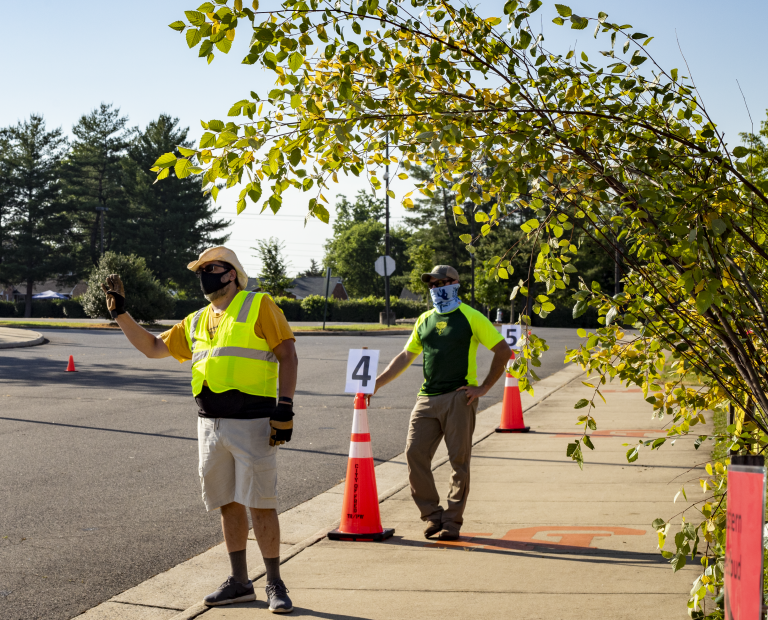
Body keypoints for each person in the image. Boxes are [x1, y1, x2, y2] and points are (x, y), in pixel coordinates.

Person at [102, 246, 297, 614]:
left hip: (254, 423)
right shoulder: (196, 320)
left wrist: (284, 407)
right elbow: (154, 347)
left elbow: (287, 353)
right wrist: (121, 315)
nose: (205, 274)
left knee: (261, 505)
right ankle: (240, 582)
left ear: (232, 274)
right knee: (228, 504)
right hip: (210, 425)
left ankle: (274, 583)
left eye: (212, 268)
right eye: (200, 270)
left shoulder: (259, 304)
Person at [369, 265, 511, 541]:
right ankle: (433, 515)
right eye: (432, 284)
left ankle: (452, 522)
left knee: (459, 461)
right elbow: (405, 356)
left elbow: (503, 350)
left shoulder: (471, 317)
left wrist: (483, 388)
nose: (436, 288)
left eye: (441, 283)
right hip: (427, 398)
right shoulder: (424, 319)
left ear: (455, 284)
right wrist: (376, 383)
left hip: (460, 398)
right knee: (414, 454)